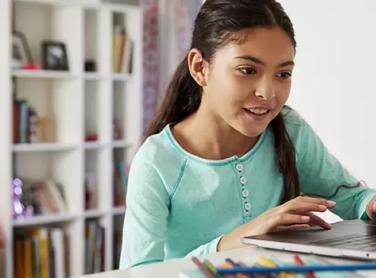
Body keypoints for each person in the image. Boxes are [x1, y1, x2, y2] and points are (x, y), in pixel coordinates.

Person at [120, 0, 376, 268]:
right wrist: (234, 240)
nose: (268, 93)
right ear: (199, 68)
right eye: (247, 70)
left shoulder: (288, 129)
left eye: (283, 73)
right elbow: (138, 271)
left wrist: (370, 202)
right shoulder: (157, 162)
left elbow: (349, 197)